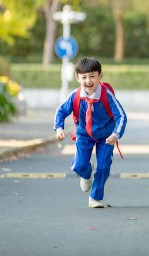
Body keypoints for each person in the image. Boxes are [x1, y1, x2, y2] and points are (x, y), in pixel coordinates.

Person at [54, 57, 127, 208]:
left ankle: (95, 198)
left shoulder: (107, 95)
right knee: (79, 165)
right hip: (84, 134)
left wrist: (116, 134)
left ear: (100, 76)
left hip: (106, 136)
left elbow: (121, 116)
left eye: (92, 76)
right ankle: (86, 173)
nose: (88, 81)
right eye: (84, 77)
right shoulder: (75, 96)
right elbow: (61, 111)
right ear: (78, 78)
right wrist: (59, 128)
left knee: (104, 166)